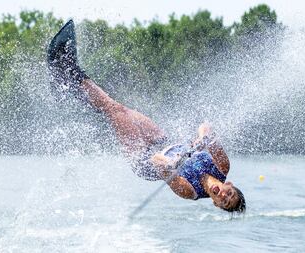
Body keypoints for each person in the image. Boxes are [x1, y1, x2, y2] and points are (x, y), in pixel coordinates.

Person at [47, 20, 246, 213]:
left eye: (225, 202)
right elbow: (206, 127)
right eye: (229, 194)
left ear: (216, 205)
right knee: (119, 110)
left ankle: (67, 70)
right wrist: (204, 139)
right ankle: (69, 84)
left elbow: (158, 165)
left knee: (115, 111)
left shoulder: (190, 191)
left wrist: (170, 165)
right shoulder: (222, 166)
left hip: (143, 161)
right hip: (164, 141)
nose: (224, 196)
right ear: (229, 184)